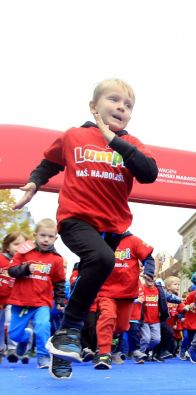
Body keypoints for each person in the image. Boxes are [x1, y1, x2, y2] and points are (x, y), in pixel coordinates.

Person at [12, 78, 158, 379]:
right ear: (94, 107)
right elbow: (49, 163)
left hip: (113, 228)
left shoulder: (131, 144)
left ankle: (64, 341)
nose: (121, 107)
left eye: (128, 105)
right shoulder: (73, 137)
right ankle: (71, 330)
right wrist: (34, 183)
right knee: (104, 259)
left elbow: (149, 173)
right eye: (114, 100)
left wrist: (113, 141)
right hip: (76, 219)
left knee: (101, 269)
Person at [7, 219, 66, 370]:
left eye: (50, 236)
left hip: (42, 302)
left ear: (55, 238)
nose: (46, 239)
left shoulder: (57, 259)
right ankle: (25, 337)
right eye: (42, 235)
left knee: (42, 326)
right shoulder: (24, 252)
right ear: (35, 235)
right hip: (21, 301)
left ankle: (43, 357)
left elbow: (59, 281)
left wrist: (60, 300)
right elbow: (11, 270)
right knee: (14, 335)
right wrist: (26, 269)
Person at [93, 232, 155, 369]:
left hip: (127, 292)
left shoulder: (133, 241)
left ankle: (112, 337)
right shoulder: (101, 239)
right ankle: (104, 352)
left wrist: (149, 272)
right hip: (106, 290)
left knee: (121, 326)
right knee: (107, 316)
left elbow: (148, 258)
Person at [0, 231, 29, 363]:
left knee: (11, 321)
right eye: (16, 244)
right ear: (7, 246)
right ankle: (1, 349)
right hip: (1, 299)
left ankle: (13, 348)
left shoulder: (25, 262)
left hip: (15, 299)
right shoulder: (1, 259)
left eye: (22, 244)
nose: (19, 247)